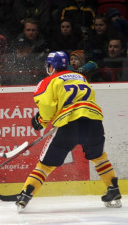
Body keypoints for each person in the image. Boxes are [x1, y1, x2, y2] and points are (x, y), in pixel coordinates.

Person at [16, 51, 122, 211]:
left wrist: (39, 121)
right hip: (94, 121)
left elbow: (47, 108)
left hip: (69, 124)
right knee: (99, 157)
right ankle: (113, 189)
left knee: (45, 166)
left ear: (51, 66)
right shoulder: (81, 77)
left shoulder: (47, 81)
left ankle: (26, 194)